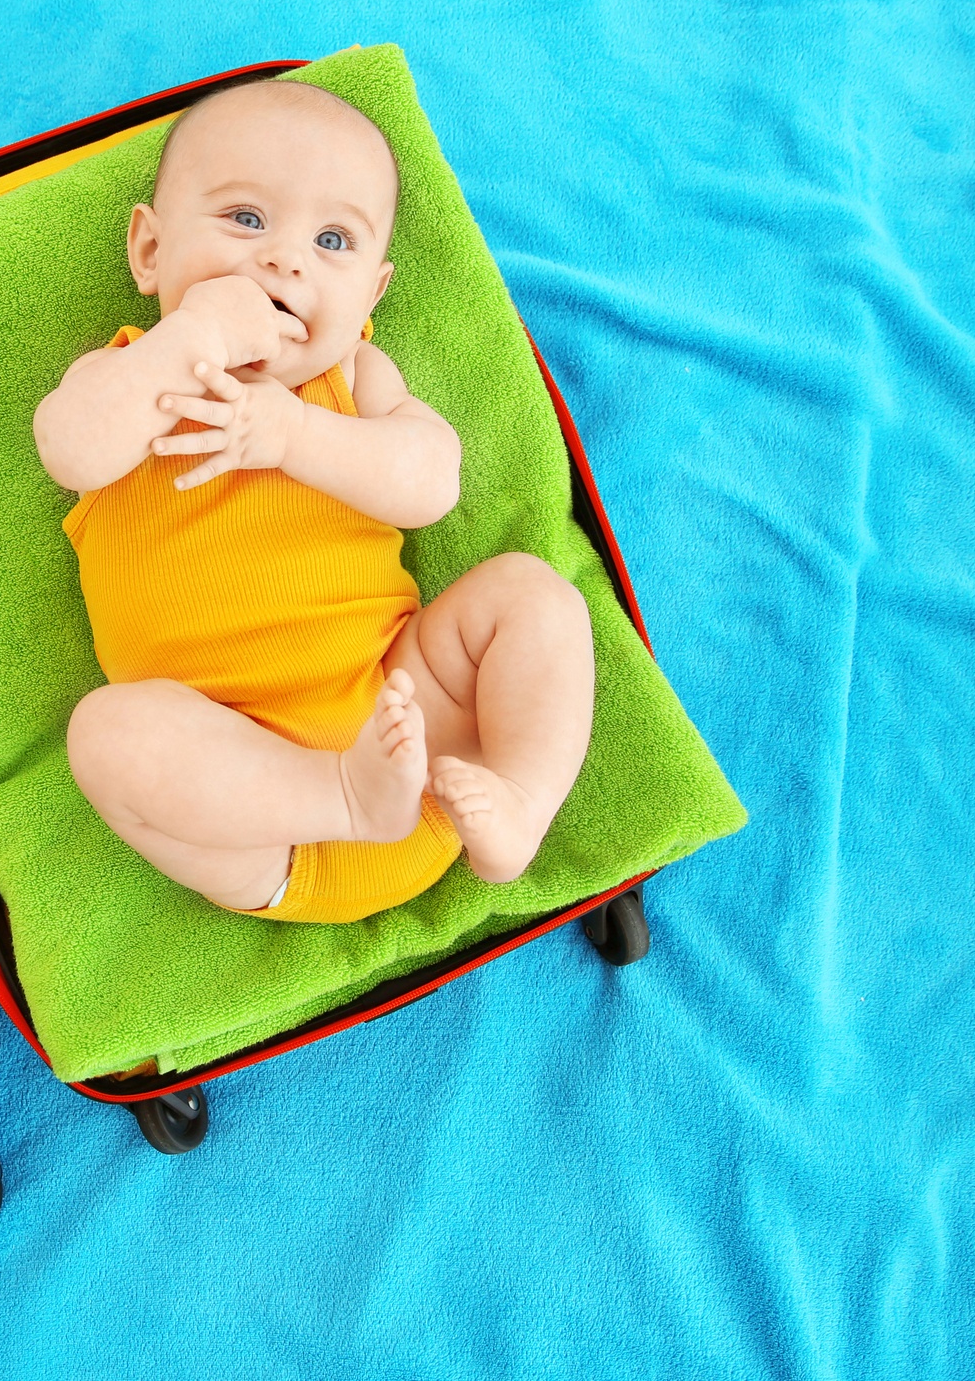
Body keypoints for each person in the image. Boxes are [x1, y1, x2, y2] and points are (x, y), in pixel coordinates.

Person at [34, 79, 595, 922]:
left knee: (531, 593)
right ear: (150, 252)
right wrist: (191, 341)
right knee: (109, 736)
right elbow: (70, 447)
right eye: (246, 220)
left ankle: (520, 798)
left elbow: (431, 482)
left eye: (333, 240)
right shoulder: (129, 381)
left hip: (413, 729)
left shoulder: (355, 379)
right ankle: (339, 792)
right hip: (259, 818)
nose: (285, 261)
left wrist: (294, 435)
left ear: (370, 297)